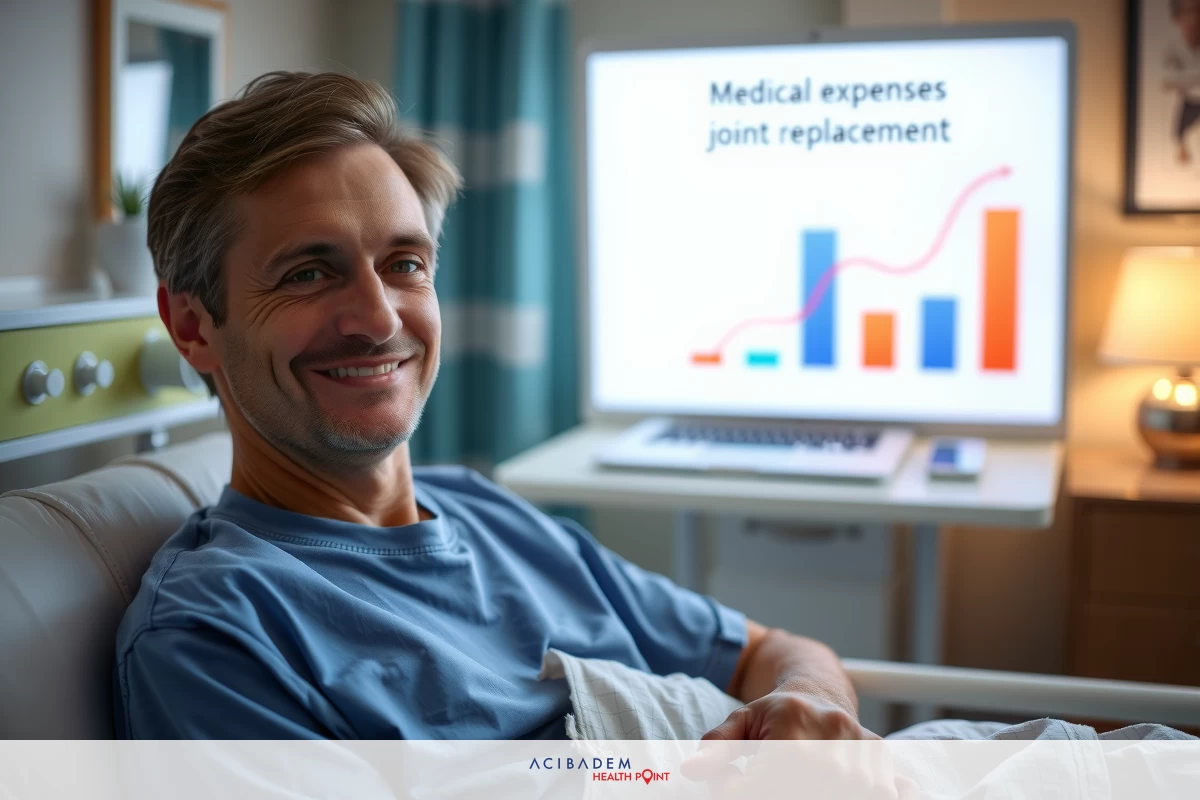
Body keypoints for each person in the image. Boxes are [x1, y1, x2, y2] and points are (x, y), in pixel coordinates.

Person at [113, 71, 873, 740]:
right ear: (192, 326)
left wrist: (807, 712)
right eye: (310, 273)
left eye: (404, 264)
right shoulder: (215, 635)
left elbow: (770, 651)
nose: (380, 319)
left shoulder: (486, 510)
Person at [1164, 0, 1200, 163]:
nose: (1195, 17)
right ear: (1177, 17)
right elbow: (1165, 80)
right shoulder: (1172, 46)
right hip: (1190, 101)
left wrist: (1184, 79)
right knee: (1180, 133)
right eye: (1189, 12)